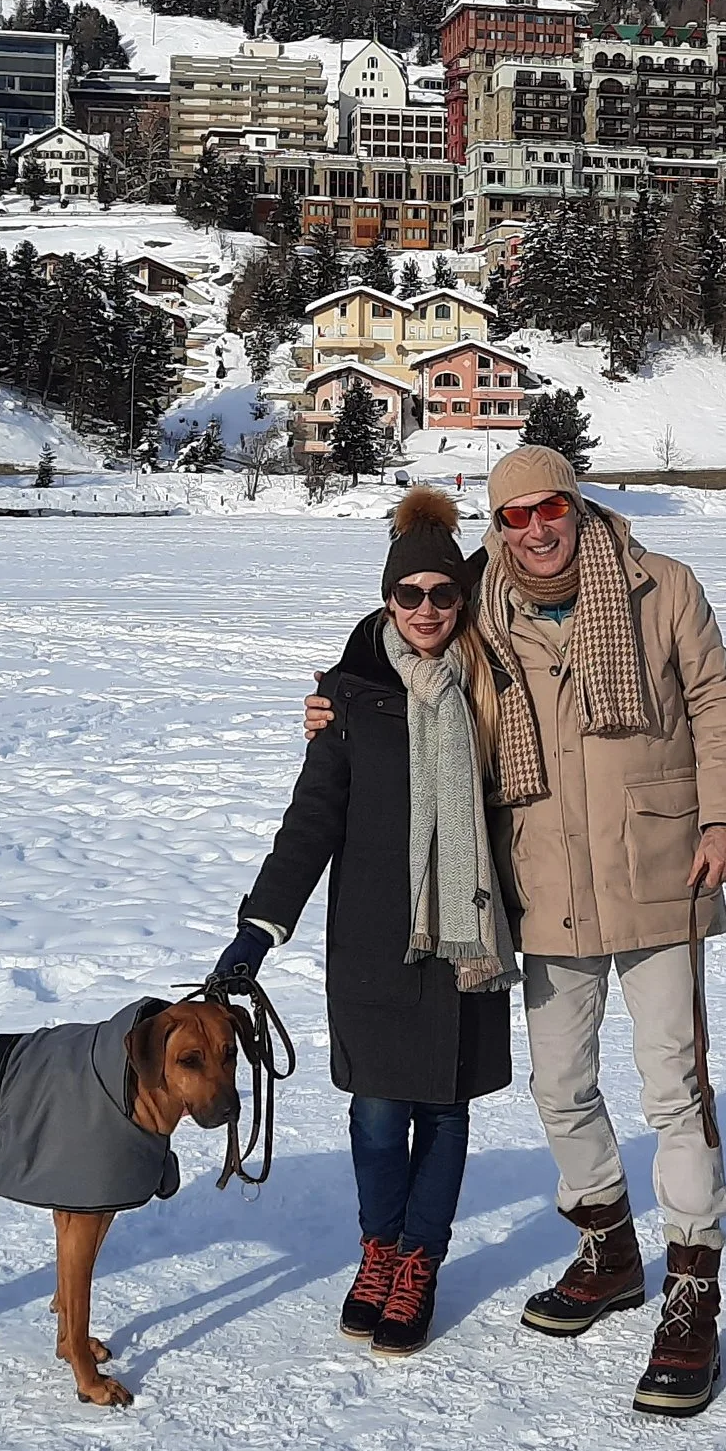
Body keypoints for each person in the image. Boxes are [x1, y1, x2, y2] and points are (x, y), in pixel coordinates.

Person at [316, 444, 726, 1416]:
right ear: (498, 526)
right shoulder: (479, 609)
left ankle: (691, 1292)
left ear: (575, 504)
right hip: (542, 878)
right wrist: (342, 703)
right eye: (512, 517)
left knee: (672, 1085)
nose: (535, 530)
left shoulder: (661, 585)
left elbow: (718, 701)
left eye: (549, 508)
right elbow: (403, 638)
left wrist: (724, 814)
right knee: (559, 1086)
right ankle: (605, 1248)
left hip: (658, 868)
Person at [215, 487, 517, 1358]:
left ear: (464, 599)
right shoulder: (346, 699)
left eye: (442, 594)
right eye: (408, 594)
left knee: (447, 1110)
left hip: (467, 935)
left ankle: (421, 1259)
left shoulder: (500, 687)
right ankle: (379, 1251)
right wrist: (259, 928)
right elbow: (311, 823)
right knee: (379, 1114)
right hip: (374, 941)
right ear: (387, 602)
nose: (426, 610)